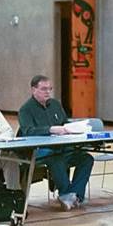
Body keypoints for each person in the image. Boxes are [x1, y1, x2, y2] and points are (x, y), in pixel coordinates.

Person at [17, 74, 94, 211]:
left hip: (61, 146)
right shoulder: (25, 110)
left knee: (86, 158)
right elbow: (28, 131)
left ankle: (75, 195)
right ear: (33, 90)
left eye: (49, 89)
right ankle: (65, 194)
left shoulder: (55, 105)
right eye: (43, 89)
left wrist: (74, 128)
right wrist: (50, 129)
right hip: (39, 150)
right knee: (55, 157)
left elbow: (64, 123)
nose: (47, 92)